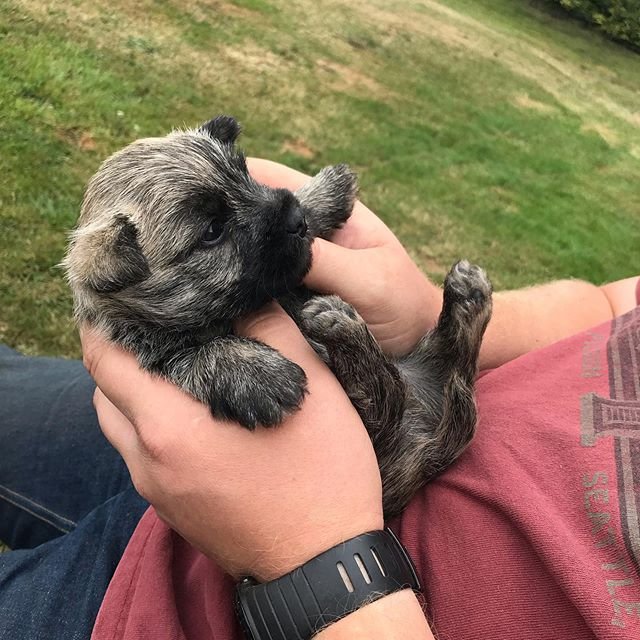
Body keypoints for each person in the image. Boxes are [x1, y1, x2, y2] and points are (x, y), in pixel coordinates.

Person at [0, 158, 638, 639]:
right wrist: (423, 315)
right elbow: (613, 308)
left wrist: (319, 564)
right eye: (216, 224)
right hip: (187, 447)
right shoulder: (133, 279)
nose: (271, 208)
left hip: (223, 602)